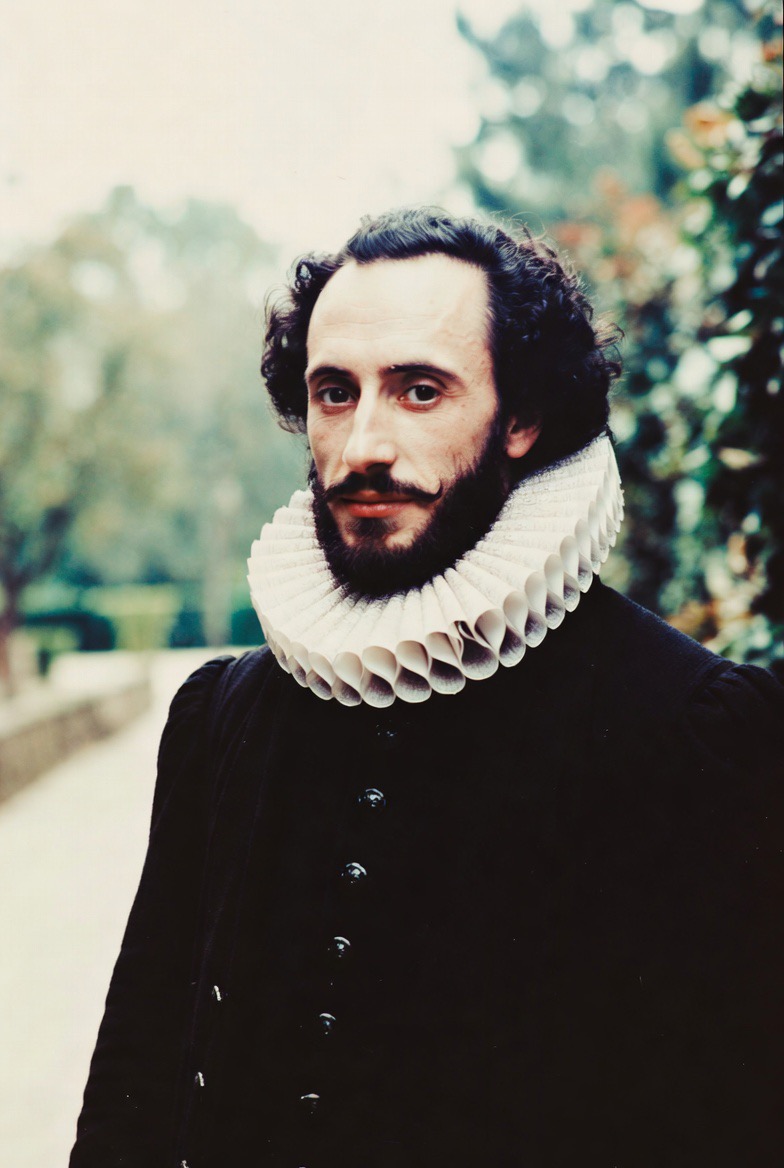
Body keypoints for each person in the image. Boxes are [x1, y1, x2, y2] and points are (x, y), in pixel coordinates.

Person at [71, 208, 782, 1168]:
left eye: (419, 391)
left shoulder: (697, 728)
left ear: (522, 417)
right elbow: (134, 1087)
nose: (363, 444)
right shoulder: (218, 717)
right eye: (334, 392)